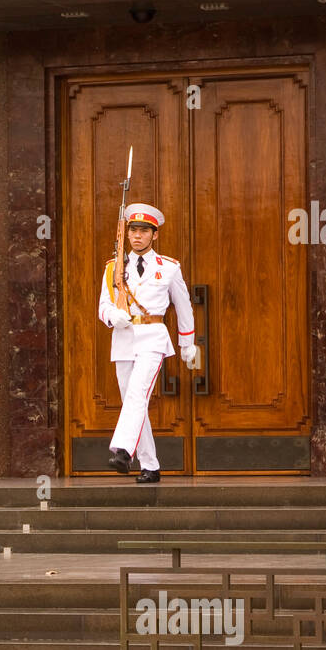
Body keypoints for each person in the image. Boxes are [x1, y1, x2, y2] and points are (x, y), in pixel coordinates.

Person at [99, 203, 200, 483]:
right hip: (123, 338)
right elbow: (103, 306)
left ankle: (122, 450)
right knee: (134, 402)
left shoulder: (168, 268)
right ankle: (151, 465)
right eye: (133, 230)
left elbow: (184, 306)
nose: (137, 236)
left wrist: (187, 342)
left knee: (137, 394)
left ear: (154, 235)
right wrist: (112, 317)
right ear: (126, 233)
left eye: (144, 231)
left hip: (153, 337)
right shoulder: (114, 268)